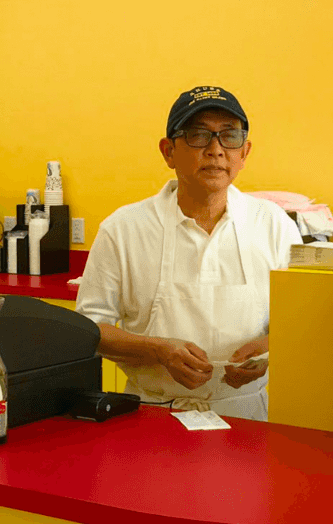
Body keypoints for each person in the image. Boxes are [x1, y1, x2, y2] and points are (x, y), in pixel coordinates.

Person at [76, 86, 302, 420]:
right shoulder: (124, 228)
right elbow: (89, 328)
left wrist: (269, 348)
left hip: (248, 418)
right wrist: (157, 350)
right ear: (168, 151)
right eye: (198, 135)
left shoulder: (273, 225)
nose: (216, 150)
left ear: (245, 152)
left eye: (230, 136)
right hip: (151, 417)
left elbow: (300, 323)